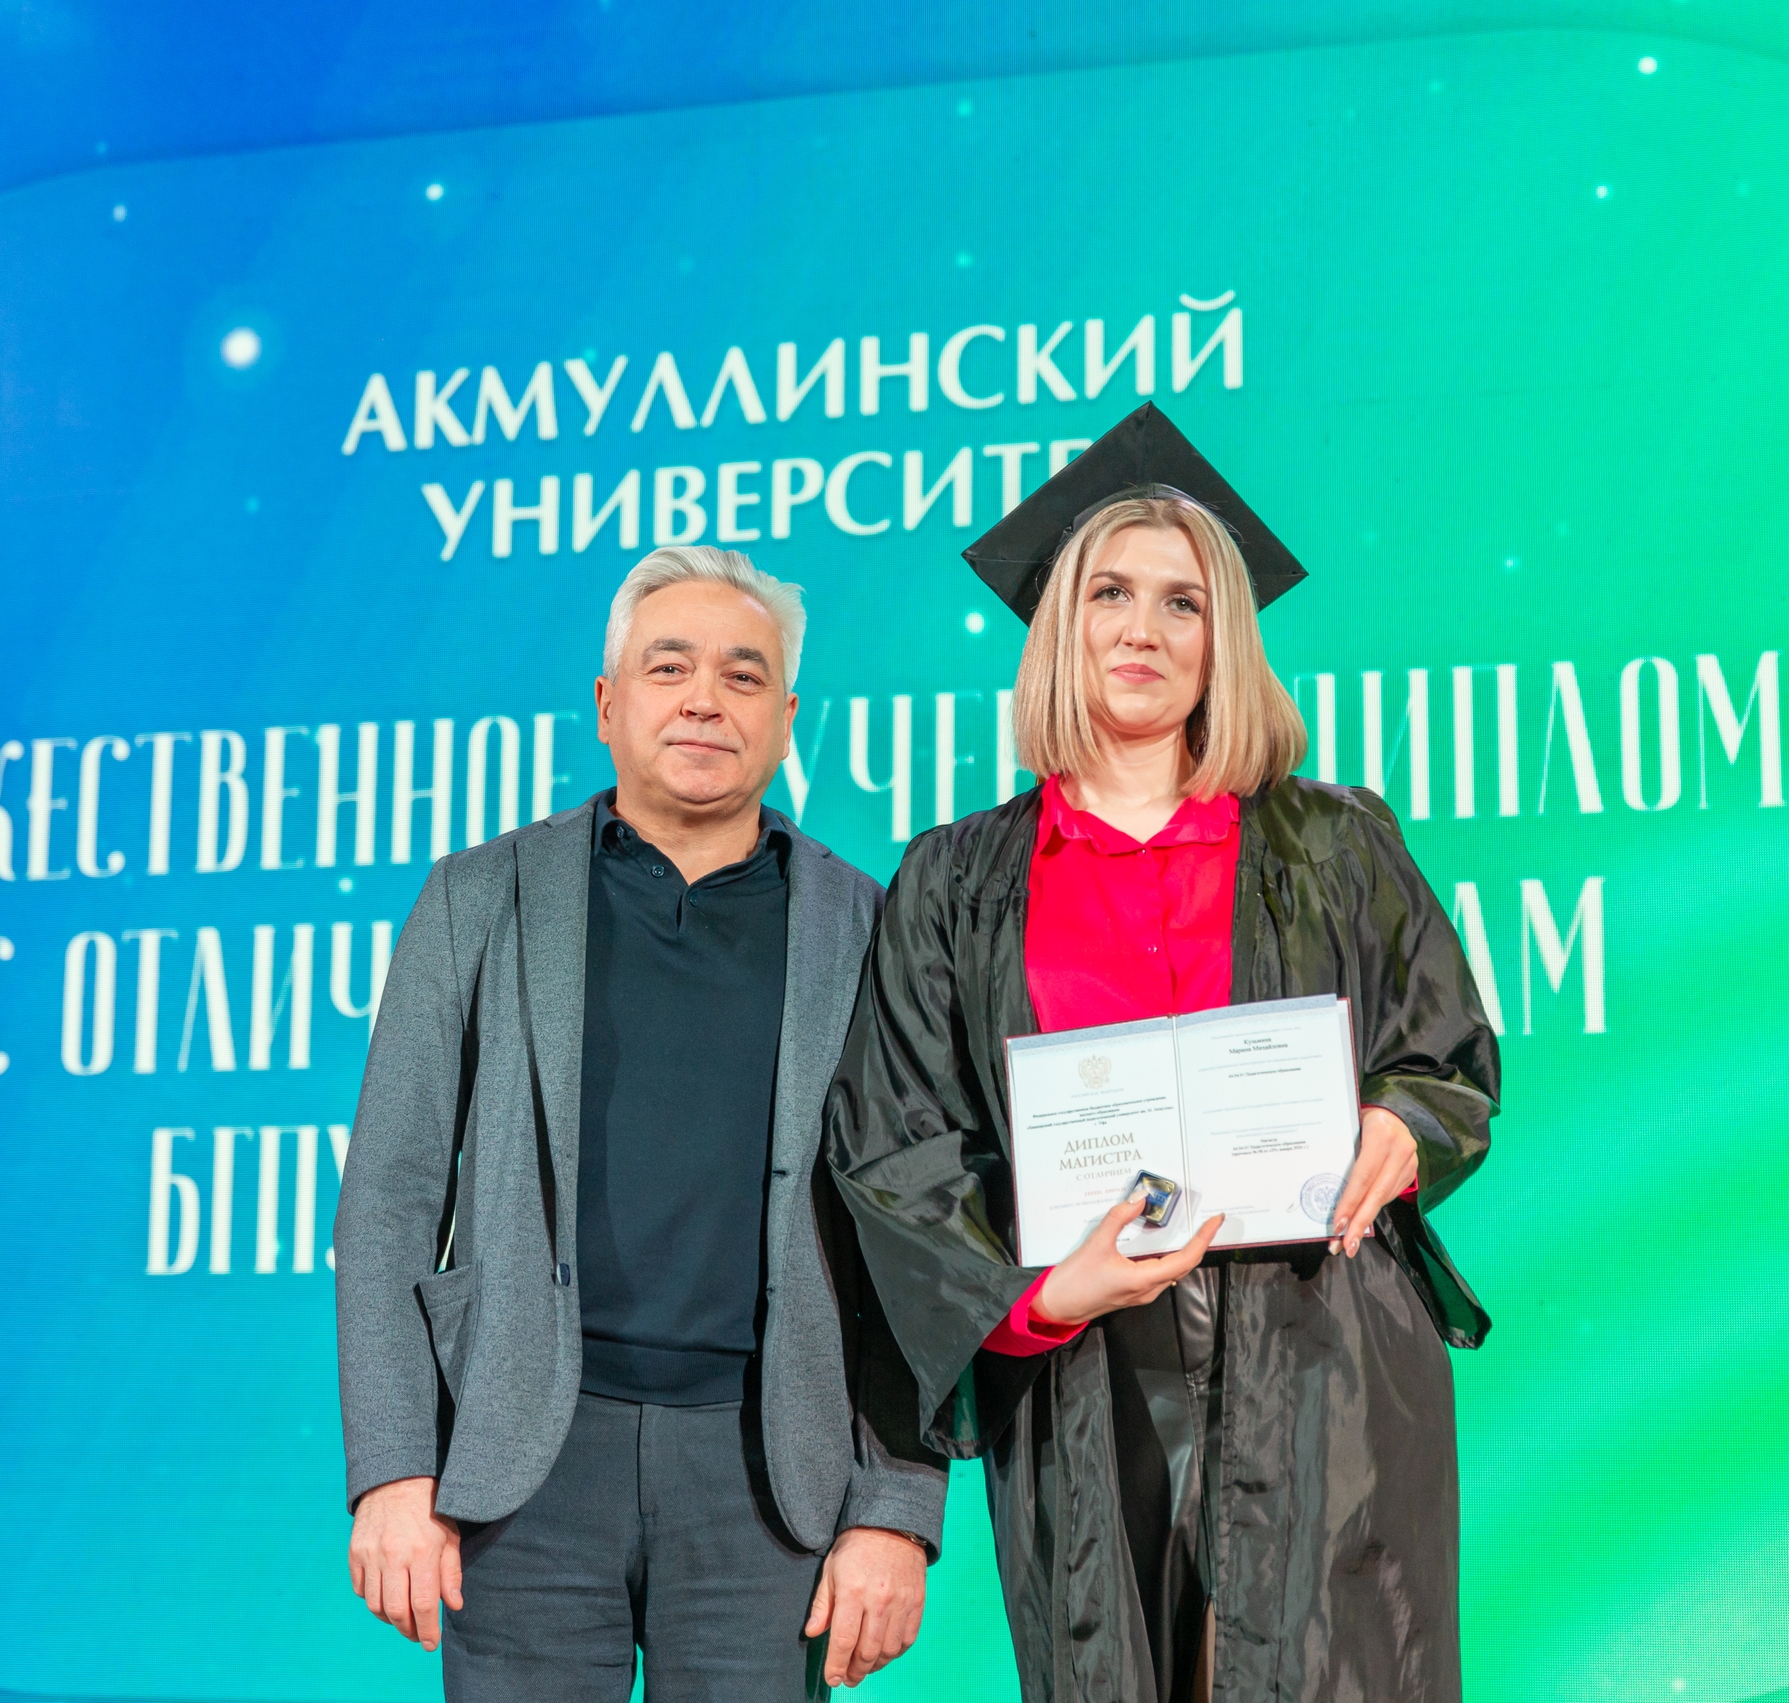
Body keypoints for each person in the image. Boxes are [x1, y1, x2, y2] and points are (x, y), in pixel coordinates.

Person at [825, 404, 1499, 1703]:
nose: (1143, 629)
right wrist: (1041, 1295)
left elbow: (1442, 1053)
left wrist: (1404, 1124)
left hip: (1322, 1348)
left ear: (1222, 639)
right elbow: (898, 1144)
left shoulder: (1334, 844)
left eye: (1182, 603)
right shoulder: (958, 882)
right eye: (1111, 594)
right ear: (1059, 625)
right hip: (1087, 1368)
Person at [336, 546, 945, 1703]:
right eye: (669, 668)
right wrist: (393, 1470)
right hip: (520, 1469)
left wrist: (897, 1509)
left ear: (787, 720)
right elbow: (389, 1201)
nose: (705, 698)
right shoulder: (480, 896)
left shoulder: (867, 927)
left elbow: (917, 1244)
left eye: (743, 675)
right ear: (608, 704)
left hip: (770, 1481)